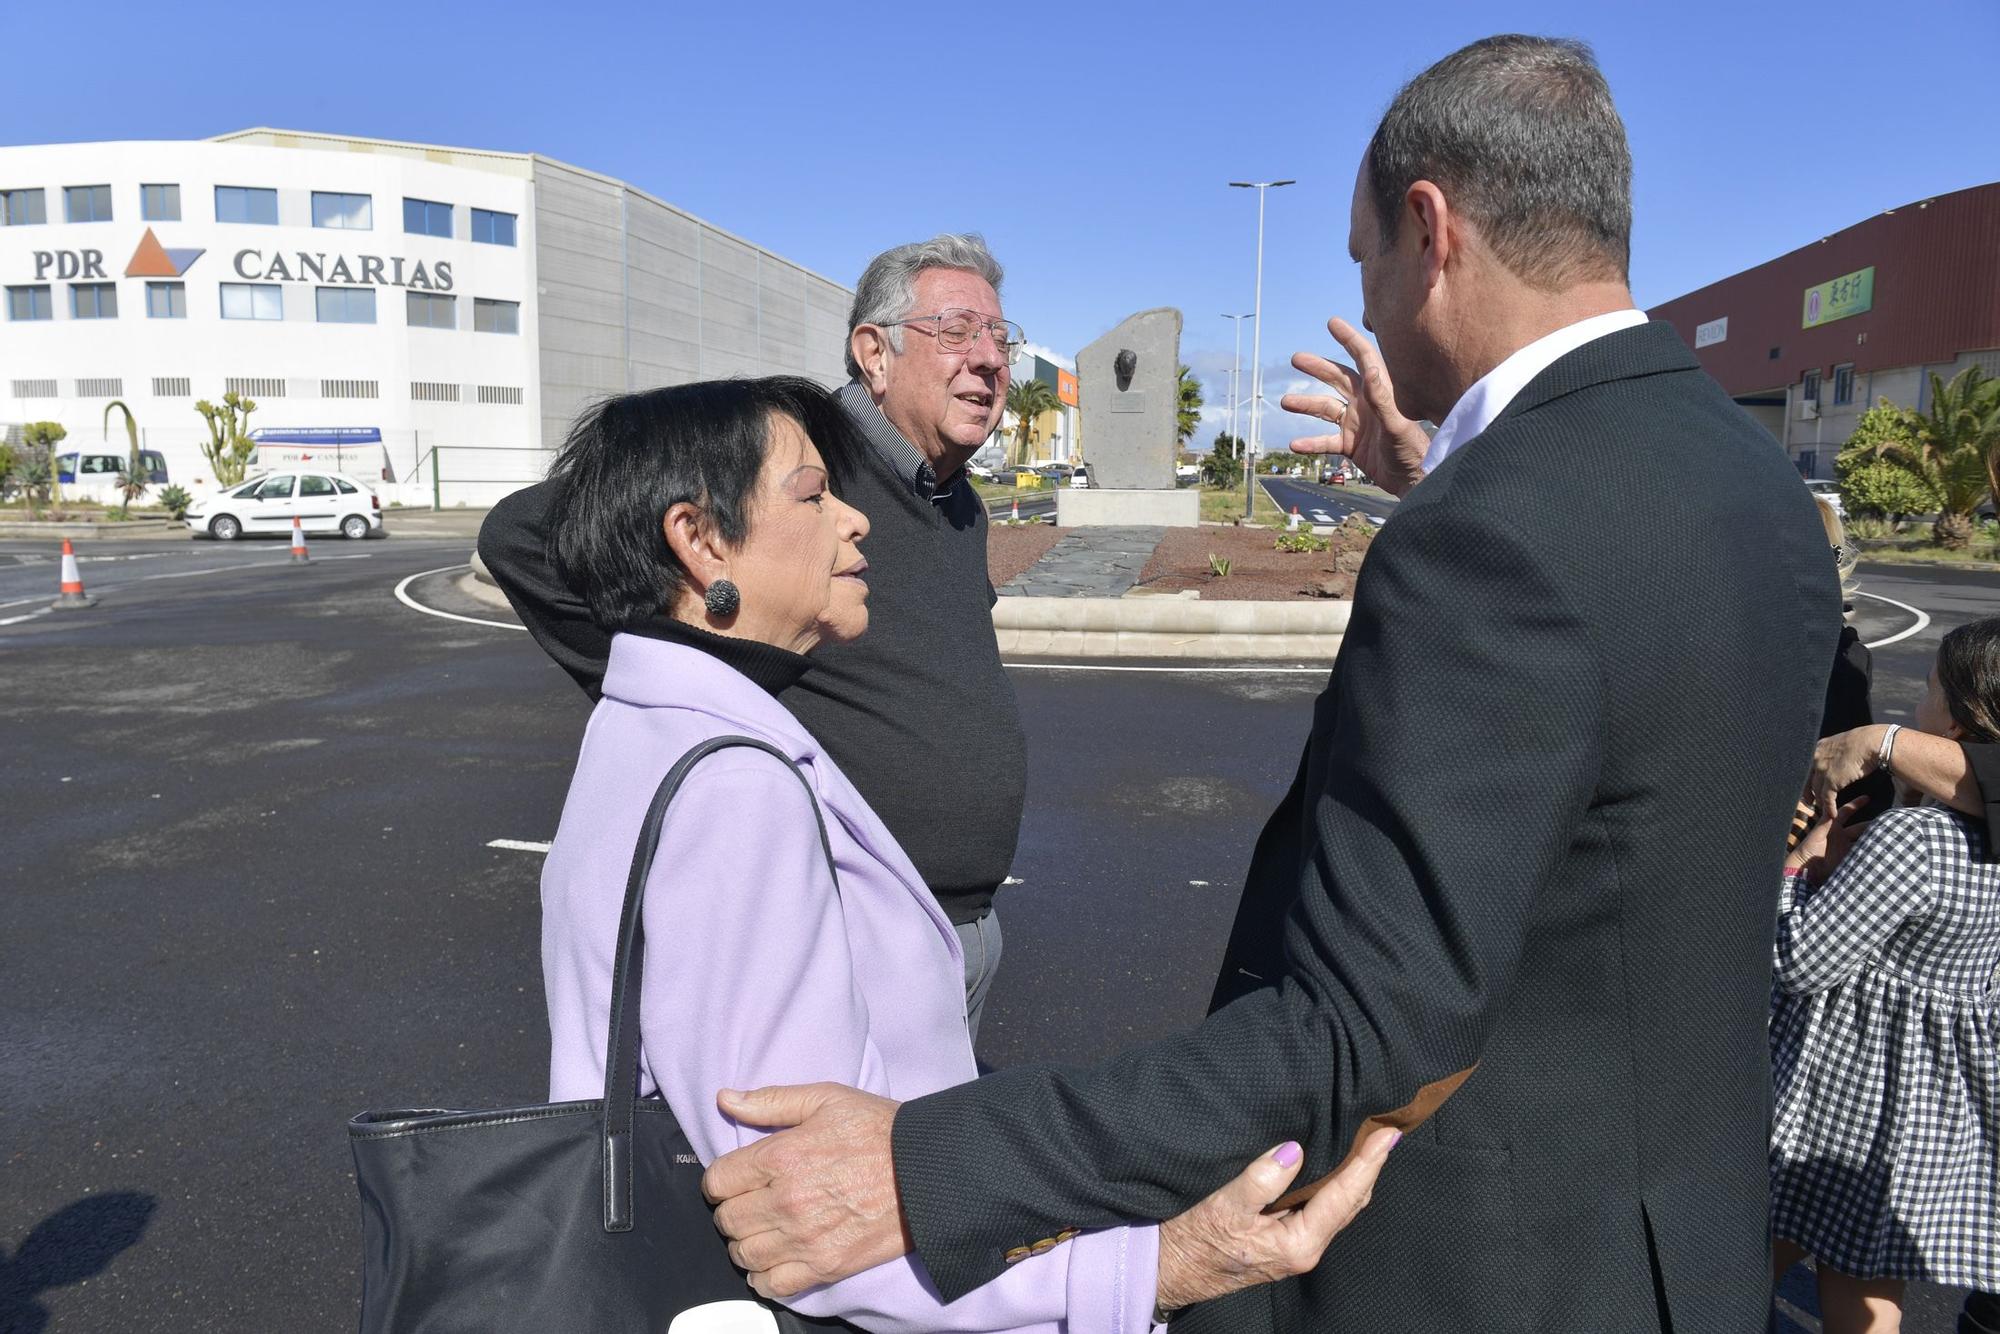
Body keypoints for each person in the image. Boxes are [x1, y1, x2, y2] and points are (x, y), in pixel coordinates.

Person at [701, 35, 1841, 1334]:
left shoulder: (1500, 529)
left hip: (1477, 1268)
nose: (1368, 297)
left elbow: (1369, 1026)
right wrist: (1451, 481)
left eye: (1363, 262)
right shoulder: (1746, 485)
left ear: (1432, 230)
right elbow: (1625, 780)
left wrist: (926, 1165)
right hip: (1672, 1252)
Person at [537, 375, 1397, 1331]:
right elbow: (801, 1215)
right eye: (815, 494)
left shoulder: (641, 728)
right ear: (699, 541)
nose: (855, 522)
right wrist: (1150, 1267)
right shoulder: (733, 788)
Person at [483, 235, 1026, 1041]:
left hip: (957, 934)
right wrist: (699, 688)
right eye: (956, 331)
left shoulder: (957, 501)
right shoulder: (796, 453)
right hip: (840, 928)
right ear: (873, 353)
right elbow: (524, 537)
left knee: (916, 1151)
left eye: (999, 337)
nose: (987, 360)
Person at [1772, 619, 2000, 1333]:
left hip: (1841, 1092)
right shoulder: (1982, 842)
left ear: (1956, 723)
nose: (1915, 708)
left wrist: (1800, 868)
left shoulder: (1913, 837)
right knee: (1866, 1285)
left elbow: (1801, 958)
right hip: (1932, 1112)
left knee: (1742, 1248)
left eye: (1928, 691)